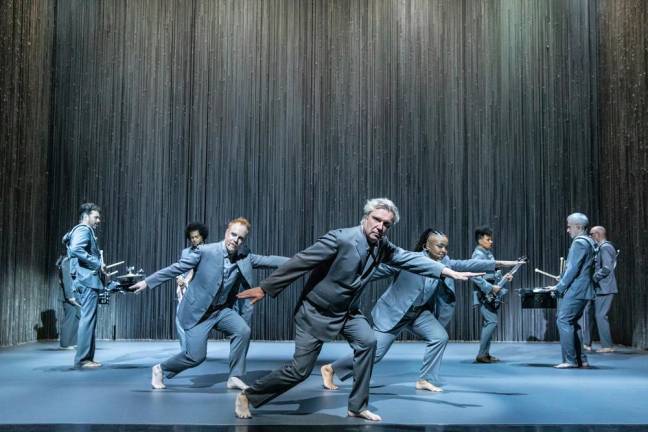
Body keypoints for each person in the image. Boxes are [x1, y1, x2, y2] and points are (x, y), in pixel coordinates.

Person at [233, 198, 485, 421]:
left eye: (386, 224)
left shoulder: (382, 246)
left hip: (347, 313)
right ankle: (250, 395)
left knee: (368, 341)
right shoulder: (341, 238)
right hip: (316, 313)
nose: (380, 226)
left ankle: (357, 406)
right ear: (366, 218)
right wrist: (266, 288)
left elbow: (410, 259)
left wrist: (445, 271)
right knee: (299, 371)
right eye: (377, 220)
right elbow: (302, 261)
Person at [321, 228, 521, 392]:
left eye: (445, 246)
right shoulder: (408, 259)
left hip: (418, 314)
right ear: (427, 245)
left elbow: (468, 263)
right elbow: (375, 271)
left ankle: (425, 379)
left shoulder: (445, 263)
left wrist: (501, 263)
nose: (443, 250)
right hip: (394, 314)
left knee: (439, 337)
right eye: (439, 246)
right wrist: (344, 277)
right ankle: (331, 369)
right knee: (376, 354)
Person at [131, 217, 288, 391]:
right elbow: (176, 268)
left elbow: (270, 260)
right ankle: (160, 369)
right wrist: (147, 282)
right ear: (226, 232)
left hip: (220, 311)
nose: (235, 240)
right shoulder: (205, 251)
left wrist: (303, 261)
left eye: (240, 238)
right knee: (196, 357)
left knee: (242, 330)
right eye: (233, 235)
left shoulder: (245, 256)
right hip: (197, 313)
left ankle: (234, 376)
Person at [549, 212, 597, 368]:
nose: (567, 230)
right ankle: (581, 359)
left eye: (569, 227)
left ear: (578, 227)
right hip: (583, 289)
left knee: (563, 320)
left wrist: (560, 287)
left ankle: (570, 360)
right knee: (572, 322)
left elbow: (573, 269)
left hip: (577, 289)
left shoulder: (579, 243)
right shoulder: (590, 242)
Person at [62, 203, 107, 368]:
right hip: (87, 281)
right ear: (86, 216)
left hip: (85, 280)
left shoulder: (80, 231)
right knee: (87, 320)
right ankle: (82, 360)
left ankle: (87, 357)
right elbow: (76, 249)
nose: (99, 220)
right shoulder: (83, 229)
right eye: (96, 217)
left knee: (89, 319)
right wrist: (96, 262)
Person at [471, 226, 514, 363]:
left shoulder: (487, 254)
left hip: (491, 294)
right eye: (488, 239)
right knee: (491, 322)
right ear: (480, 240)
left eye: (491, 239)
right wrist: (489, 288)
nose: (491, 242)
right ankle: (482, 355)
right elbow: (475, 276)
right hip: (484, 294)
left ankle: (485, 353)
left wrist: (504, 277)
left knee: (489, 322)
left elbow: (493, 274)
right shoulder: (478, 254)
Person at [581, 226, 617, 353]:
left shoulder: (605, 247)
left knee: (601, 315)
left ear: (597, 234)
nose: (590, 237)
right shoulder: (601, 248)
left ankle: (607, 345)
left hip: (605, 288)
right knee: (588, 313)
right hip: (598, 288)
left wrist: (593, 278)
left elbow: (606, 268)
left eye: (591, 234)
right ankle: (586, 344)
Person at [174, 222, 209, 349]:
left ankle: (197, 350)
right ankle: (185, 351)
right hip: (186, 291)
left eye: (196, 237)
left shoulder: (210, 251)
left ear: (202, 237)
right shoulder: (185, 252)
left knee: (200, 324)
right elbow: (180, 269)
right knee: (179, 319)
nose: (194, 239)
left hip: (202, 292)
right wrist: (180, 278)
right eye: (192, 237)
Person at [55, 254, 80, 349]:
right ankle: (65, 343)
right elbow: (66, 279)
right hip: (69, 295)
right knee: (70, 318)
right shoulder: (67, 261)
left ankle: (72, 342)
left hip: (76, 293)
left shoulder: (74, 260)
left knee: (77, 317)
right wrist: (70, 296)